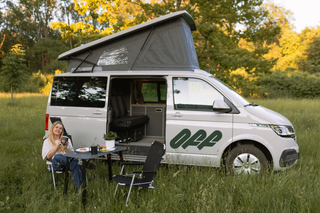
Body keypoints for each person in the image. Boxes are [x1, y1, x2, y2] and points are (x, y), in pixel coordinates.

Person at [42, 121, 83, 190]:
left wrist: (65, 148)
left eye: (60, 128)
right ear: (52, 128)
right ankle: (78, 162)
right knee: (58, 156)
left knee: (76, 167)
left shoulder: (66, 139)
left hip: (68, 164)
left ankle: (79, 191)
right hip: (56, 164)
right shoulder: (47, 141)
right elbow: (48, 156)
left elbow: (72, 154)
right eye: (56, 127)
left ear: (62, 131)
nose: (58, 129)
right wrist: (58, 145)